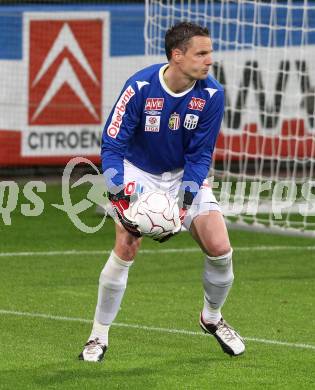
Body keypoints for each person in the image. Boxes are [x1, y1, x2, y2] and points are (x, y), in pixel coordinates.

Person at [79, 21, 245, 362]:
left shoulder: (212, 94)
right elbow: (112, 144)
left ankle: (211, 318)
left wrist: (182, 205)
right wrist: (118, 191)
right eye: (201, 53)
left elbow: (200, 155)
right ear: (177, 55)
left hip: (184, 174)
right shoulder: (140, 87)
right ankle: (98, 336)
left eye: (210, 52)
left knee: (221, 249)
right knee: (126, 246)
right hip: (137, 172)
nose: (209, 60)